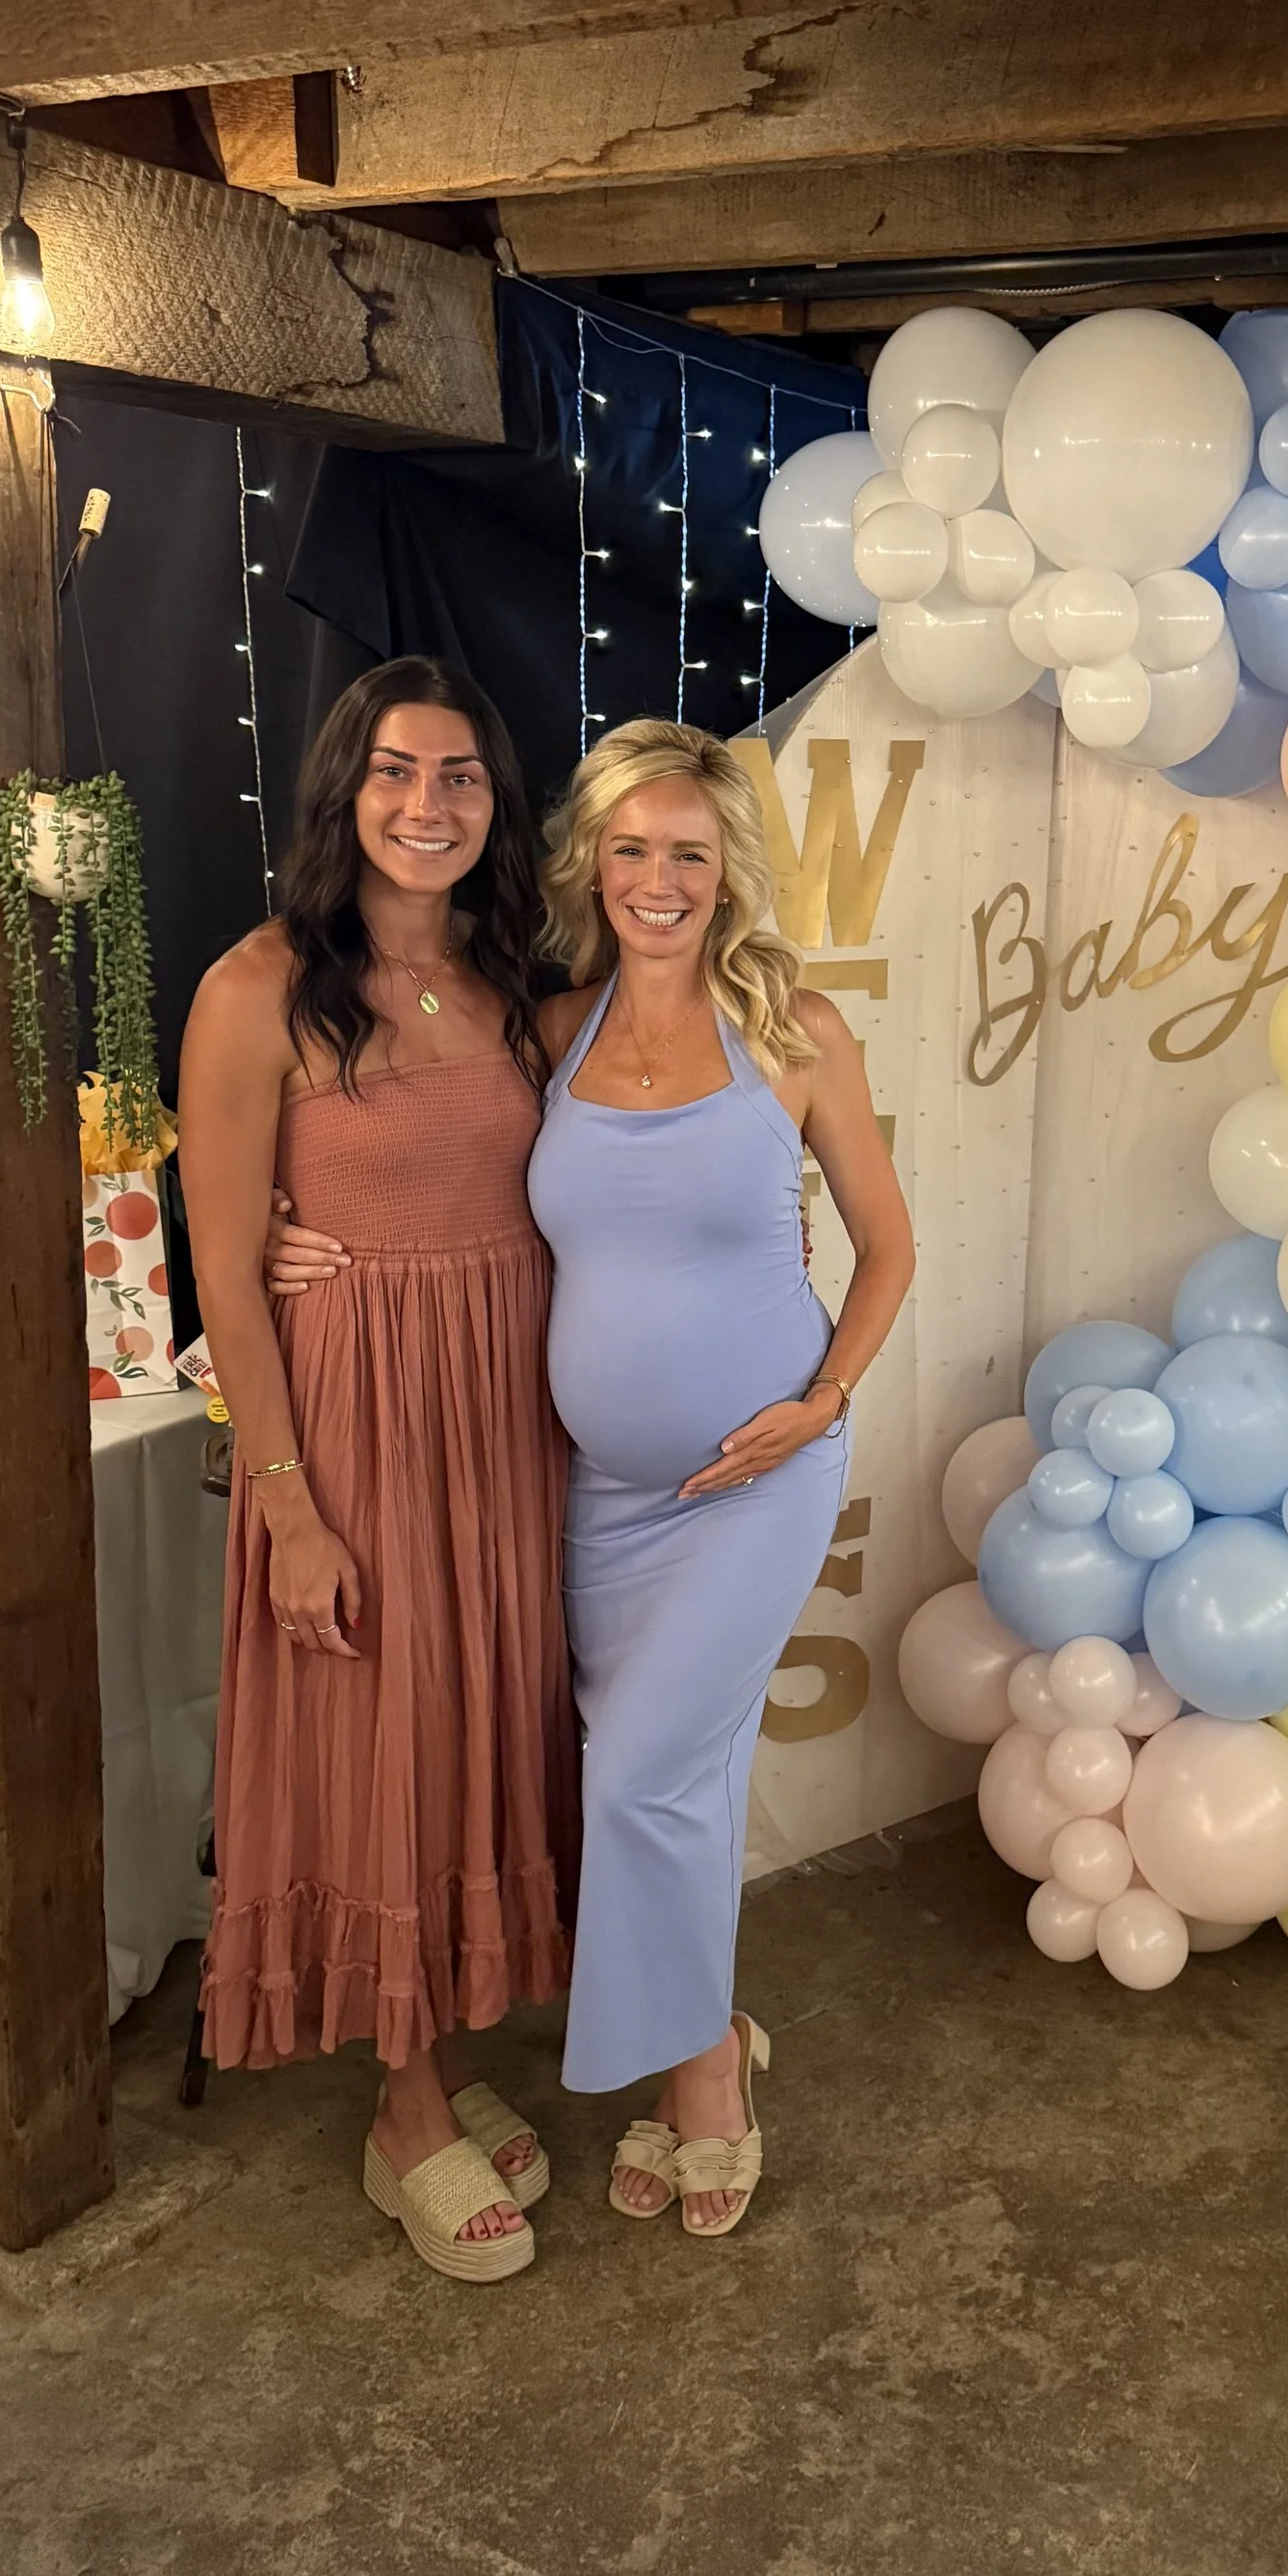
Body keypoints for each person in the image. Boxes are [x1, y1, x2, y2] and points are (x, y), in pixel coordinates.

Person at [179, 656, 579, 2286]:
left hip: (504, 1409)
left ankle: (449, 2047)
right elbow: (221, 1265)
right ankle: (401, 2106)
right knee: (384, 1735)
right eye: (399, 774)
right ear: (345, 791)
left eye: (465, 776)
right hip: (353, 1415)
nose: (432, 805)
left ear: (498, 804)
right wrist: (286, 1506)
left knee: (480, 1720)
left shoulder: (520, 981)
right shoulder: (255, 989)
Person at [535, 719, 911, 2234]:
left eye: (689, 852)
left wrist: (824, 1401)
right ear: (595, 865)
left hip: (755, 1484)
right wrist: (307, 1238)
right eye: (632, 849)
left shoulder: (796, 1033)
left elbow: (886, 1248)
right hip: (598, 1502)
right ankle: (714, 2045)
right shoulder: (549, 1026)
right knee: (669, 1790)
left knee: (638, 1779)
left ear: (729, 873)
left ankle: (701, 2080)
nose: (659, 878)